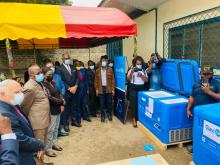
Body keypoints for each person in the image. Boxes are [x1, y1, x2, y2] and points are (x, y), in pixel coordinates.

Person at [0, 80, 46, 165]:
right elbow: (18, 138)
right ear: (2, 94)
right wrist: (39, 144)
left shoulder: (12, 104)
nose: (21, 95)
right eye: (17, 92)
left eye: (21, 91)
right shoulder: (4, 114)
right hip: (20, 157)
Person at [21, 65, 50, 151]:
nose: (41, 74)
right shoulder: (30, 87)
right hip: (37, 124)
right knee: (38, 149)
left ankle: (42, 162)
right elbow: (24, 107)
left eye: (41, 72)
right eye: (39, 73)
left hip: (44, 120)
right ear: (31, 75)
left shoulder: (38, 83)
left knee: (42, 146)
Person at [42, 68, 64, 158]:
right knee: (50, 130)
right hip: (51, 110)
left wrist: (62, 100)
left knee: (56, 128)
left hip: (58, 109)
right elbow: (49, 97)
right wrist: (61, 102)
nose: (51, 75)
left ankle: (54, 143)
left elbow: (59, 93)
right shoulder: (43, 85)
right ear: (44, 75)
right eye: (48, 74)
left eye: (51, 74)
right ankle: (48, 149)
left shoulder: (53, 83)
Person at [44, 61, 68, 137]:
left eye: (52, 66)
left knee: (58, 122)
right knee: (52, 127)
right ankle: (50, 143)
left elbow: (62, 87)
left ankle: (59, 132)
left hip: (59, 100)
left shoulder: (57, 76)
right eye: (49, 67)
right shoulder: (43, 82)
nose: (51, 68)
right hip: (52, 106)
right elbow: (49, 96)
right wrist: (61, 101)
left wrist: (62, 97)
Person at [59, 54, 80, 131]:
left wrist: (76, 86)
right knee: (66, 109)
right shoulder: (59, 68)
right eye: (65, 58)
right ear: (62, 59)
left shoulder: (73, 67)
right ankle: (65, 124)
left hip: (74, 91)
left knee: (74, 106)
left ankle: (74, 121)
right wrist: (69, 88)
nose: (67, 59)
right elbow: (60, 80)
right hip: (66, 91)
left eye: (68, 58)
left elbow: (78, 77)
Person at [127, 56, 148, 128]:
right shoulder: (131, 70)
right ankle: (134, 119)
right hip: (133, 88)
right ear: (135, 64)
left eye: (140, 63)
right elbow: (128, 79)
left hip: (141, 89)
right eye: (137, 63)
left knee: (141, 104)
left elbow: (146, 80)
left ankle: (140, 119)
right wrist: (132, 73)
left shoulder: (143, 70)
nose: (139, 65)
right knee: (134, 105)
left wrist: (141, 76)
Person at [95, 56, 115, 122]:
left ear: (106, 62)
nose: (104, 62)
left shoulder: (110, 69)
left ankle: (109, 115)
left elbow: (113, 80)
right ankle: (102, 116)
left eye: (105, 61)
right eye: (102, 61)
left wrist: (113, 89)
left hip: (108, 88)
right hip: (101, 88)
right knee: (101, 103)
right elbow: (95, 81)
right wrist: (96, 89)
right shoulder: (97, 70)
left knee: (109, 103)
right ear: (100, 62)